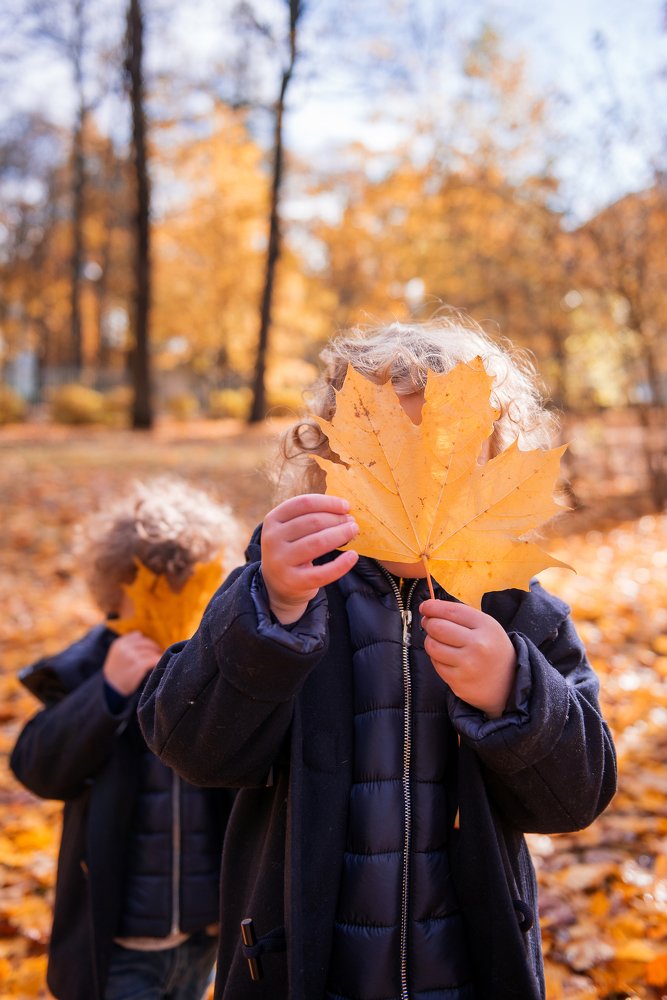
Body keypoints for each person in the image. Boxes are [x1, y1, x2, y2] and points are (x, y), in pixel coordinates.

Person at [138, 314, 617, 1000]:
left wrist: (514, 691)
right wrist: (267, 617)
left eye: (445, 461)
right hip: (298, 968)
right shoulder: (288, 593)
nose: (416, 484)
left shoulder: (518, 616)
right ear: (329, 464)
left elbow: (577, 798)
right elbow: (190, 745)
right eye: (385, 461)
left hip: (469, 972)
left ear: (495, 467)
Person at [10, 477, 242, 1000]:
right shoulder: (91, 666)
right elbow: (37, 767)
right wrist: (106, 694)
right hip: (120, 943)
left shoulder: (213, 663)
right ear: (117, 592)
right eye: (153, 593)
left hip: (205, 932)